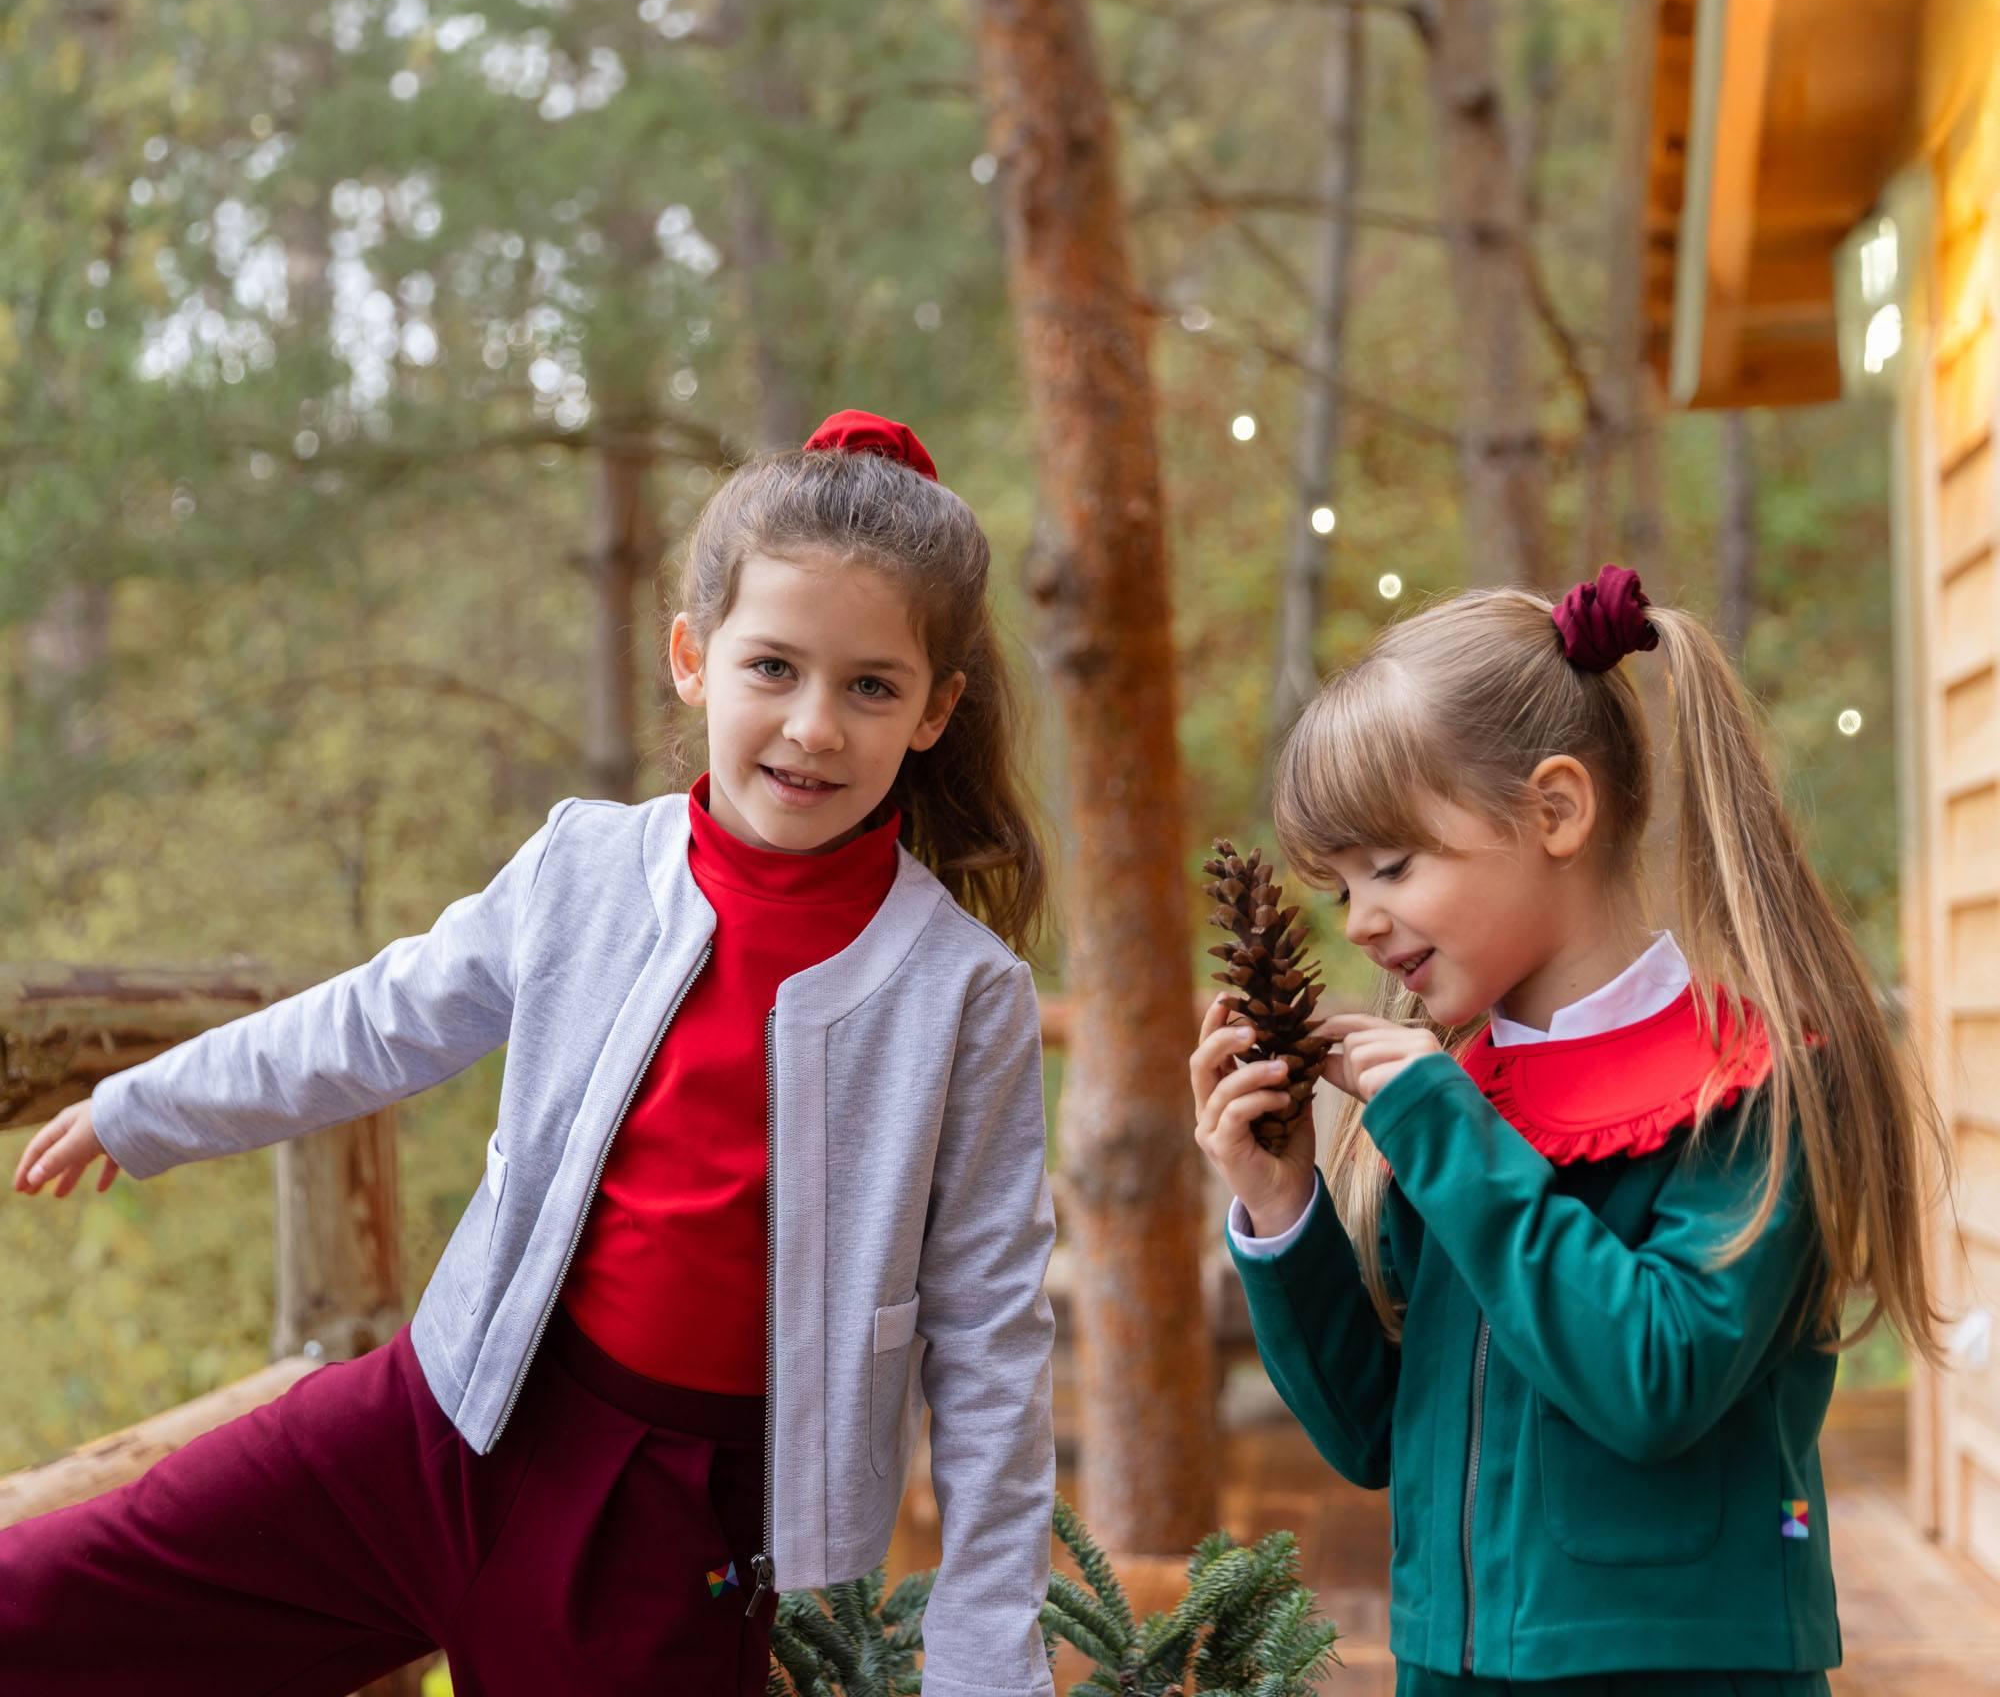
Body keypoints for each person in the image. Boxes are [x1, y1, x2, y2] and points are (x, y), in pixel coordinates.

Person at [3, 410, 1058, 1697]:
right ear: (692, 656)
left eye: (870, 686)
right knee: (41, 1607)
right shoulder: (586, 869)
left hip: (681, 1539)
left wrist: (982, 1661)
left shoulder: (962, 994)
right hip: (439, 1422)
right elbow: (377, 1018)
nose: (814, 725)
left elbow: (991, 1334)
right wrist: (146, 1106)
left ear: (936, 709)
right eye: (772, 667)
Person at [1191, 565, 1948, 1697]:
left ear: (1554, 808)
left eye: (1391, 864)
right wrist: (1279, 1205)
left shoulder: (1747, 1082)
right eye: (1338, 883)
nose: (1359, 920)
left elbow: (1656, 1376)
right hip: (1445, 1665)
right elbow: (1374, 1436)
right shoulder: (1460, 1091)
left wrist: (1448, 1139)